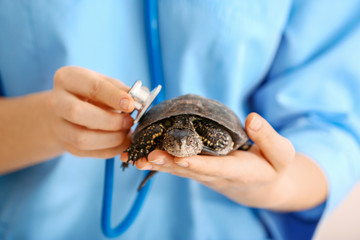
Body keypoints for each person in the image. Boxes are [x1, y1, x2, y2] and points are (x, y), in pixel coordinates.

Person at [1, 1, 359, 239]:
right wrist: (46, 123)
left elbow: (332, 126)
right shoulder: (161, 131)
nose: (174, 143)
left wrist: (274, 185)